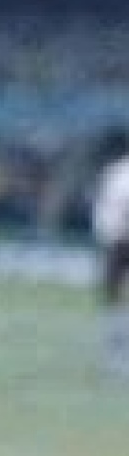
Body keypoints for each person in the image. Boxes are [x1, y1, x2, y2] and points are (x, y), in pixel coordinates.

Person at [91, 128, 129, 375]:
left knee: (113, 297)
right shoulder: (117, 172)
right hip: (118, 240)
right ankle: (116, 352)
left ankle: (117, 352)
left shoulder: (116, 172)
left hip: (117, 240)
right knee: (113, 297)